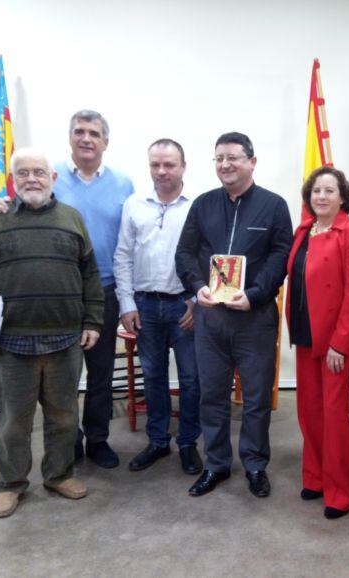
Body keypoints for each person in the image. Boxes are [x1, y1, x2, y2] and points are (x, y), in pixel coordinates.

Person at [0, 148, 104, 518]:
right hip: (10, 345)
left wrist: (92, 321)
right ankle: (11, 484)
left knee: (64, 416)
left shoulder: (72, 219)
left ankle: (58, 474)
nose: (31, 179)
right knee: (12, 421)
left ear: (53, 179)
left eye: (39, 172)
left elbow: (90, 274)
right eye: (23, 173)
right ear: (13, 180)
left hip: (64, 340)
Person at [0, 110, 134, 469]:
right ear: (70, 138)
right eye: (79, 132)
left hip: (104, 292)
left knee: (100, 374)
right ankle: (70, 444)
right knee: (62, 377)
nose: (86, 138)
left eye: (94, 133)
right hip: (57, 296)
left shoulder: (124, 184)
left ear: (105, 142)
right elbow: (15, 204)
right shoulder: (49, 177)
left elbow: (129, 241)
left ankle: (97, 439)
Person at [175, 132, 292, 499]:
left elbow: (280, 257)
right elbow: (185, 253)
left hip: (254, 318)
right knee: (212, 395)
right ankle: (216, 465)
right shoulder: (203, 205)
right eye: (219, 158)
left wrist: (255, 295)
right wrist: (197, 288)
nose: (225, 165)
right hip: (211, 320)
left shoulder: (274, 206)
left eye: (233, 157)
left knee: (256, 398)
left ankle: (255, 465)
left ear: (252, 162)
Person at [286, 166, 349, 519]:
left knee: (335, 416)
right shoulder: (304, 229)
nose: (321, 196)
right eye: (316, 190)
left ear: (343, 196)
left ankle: (340, 491)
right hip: (305, 333)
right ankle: (316, 477)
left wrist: (341, 342)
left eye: (329, 191)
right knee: (308, 410)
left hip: (335, 341)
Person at [113, 139, 201, 475]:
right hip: (145, 306)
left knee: (192, 379)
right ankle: (158, 441)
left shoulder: (197, 205)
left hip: (184, 305)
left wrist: (196, 301)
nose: (162, 171)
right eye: (155, 165)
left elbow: (205, 257)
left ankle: (189, 442)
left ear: (183, 166)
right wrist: (126, 302)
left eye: (169, 165)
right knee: (153, 377)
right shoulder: (135, 204)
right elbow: (122, 255)